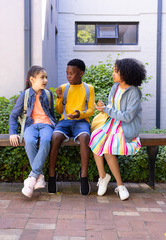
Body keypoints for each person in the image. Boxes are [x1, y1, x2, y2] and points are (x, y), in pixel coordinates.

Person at [89, 58, 146, 200]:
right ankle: (103, 176)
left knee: (108, 148)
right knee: (95, 137)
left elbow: (128, 117)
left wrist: (108, 110)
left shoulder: (134, 93)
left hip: (126, 126)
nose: (113, 73)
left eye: (116, 71)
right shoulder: (115, 88)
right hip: (113, 123)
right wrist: (104, 108)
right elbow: (111, 108)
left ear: (126, 74)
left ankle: (120, 185)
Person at [48, 59, 95, 195]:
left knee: (85, 137)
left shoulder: (88, 88)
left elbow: (91, 110)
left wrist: (80, 114)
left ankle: (84, 177)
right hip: (65, 122)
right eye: (67, 73)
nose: (68, 76)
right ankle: (51, 176)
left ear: (81, 73)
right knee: (55, 137)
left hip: (81, 122)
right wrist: (59, 98)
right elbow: (58, 111)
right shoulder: (63, 88)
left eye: (72, 74)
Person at [9, 65, 56, 198]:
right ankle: (39, 176)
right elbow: (13, 116)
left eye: (46, 77)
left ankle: (31, 178)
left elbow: (51, 114)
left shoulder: (48, 94)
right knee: (29, 141)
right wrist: (13, 132)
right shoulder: (24, 95)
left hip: (46, 125)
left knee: (46, 140)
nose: (45, 80)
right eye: (42, 77)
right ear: (32, 79)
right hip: (30, 126)